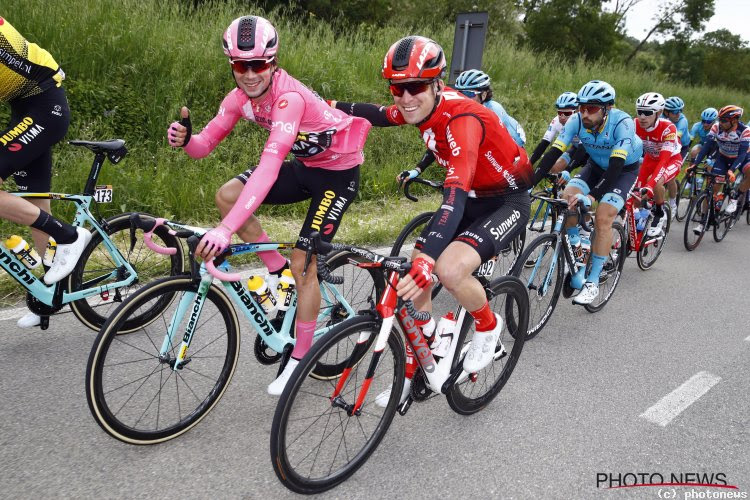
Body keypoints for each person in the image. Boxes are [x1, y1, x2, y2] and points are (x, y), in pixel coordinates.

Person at [167, 15, 371, 395]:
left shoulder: (287, 99)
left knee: (304, 263)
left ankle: (301, 358)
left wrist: (226, 230)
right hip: (307, 167)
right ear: (232, 64)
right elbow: (203, 147)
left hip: (339, 176)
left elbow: (267, 169)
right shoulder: (238, 100)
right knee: (227, 196)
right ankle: (278, 274)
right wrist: (185, 139)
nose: (249, 74)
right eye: (240, 66)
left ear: (273, 62)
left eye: (258, 64)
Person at [327, 36, 532, 404]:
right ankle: (426, 355)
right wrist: (325, 105)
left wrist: (428, 260)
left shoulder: (463, 121)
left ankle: (487, 325)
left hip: (505, 201)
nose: (405, 98)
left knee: (448, 271)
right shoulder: (419, 106)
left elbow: (454, 191)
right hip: (469, 197)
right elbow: (377, 113)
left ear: (437, 84)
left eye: (416, 87)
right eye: (397, 87)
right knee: (414, 283)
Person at [0, 16, 92, 328]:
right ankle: (48, 294)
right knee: (34, 202)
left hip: (45, 106)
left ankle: (68, 235)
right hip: (25, 108)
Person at [532, 80, 642, 305]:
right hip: (595, 165)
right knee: (567, 197)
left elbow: (615, 166)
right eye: (581, 107)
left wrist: (592, 196)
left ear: (607, 108)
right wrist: (529, 183)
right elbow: (554, 151)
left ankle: (592, 282)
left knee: (603, 218)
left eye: (591, 108)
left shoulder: (622, 123)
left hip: (622, 170)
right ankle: (577, 244)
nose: (584, 114)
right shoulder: (576, 120)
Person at [398, 68, 526, 183]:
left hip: (514, 140)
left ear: (484, 95)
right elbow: (439, 143)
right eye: (459, 93)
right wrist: (417, 170)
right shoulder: (458, 111)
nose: (462, 98)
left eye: (469, 94)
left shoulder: (493, 110)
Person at [689, 105, 750, 230]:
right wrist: (695, 163)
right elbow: (707, 147)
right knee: (712, 187)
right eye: (720, 119)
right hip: (723, 157)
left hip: (742, 158)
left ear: (734, 121)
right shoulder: (716, 127)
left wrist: (732, 170)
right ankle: (703, 220)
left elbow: (742, 154)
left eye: (724, 120)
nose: (720, 123)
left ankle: (735, 198)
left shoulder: (745, 131)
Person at [633, 92, 682, 237]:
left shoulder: (668, 128)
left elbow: (663, 161)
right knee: (636, 192)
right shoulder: (634, 124)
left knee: (655, 184)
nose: (642, 117)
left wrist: (650, 185)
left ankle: (660, 213)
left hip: (671, 160)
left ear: (659, 113)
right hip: (650, 158)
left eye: (647, 113)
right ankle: (642, 215)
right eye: (640, 112)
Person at [528, 91, 589, 174]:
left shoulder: (585, 122)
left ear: (578, 111)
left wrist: (568, 170)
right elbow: (543, 144)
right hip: (576, 149)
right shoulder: (556, 121)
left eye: (567, 113)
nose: (562, 117)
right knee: (554, 169)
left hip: (592, 152)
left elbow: (583, 150)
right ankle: (557, 186)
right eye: (560, 113)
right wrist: (528, 165)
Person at [663, 96, 691, 214]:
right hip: (664, 146)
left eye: (680, 110)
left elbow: (676, 138)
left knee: (670, 176)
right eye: (675, 112)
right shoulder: (660, 118)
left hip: (680, 148)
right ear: (666, 112)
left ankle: (673, 203)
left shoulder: (682, 121)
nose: (678, 114)